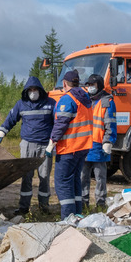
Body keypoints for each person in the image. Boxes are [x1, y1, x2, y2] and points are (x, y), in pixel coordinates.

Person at [0, 76, 56, 214]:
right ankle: (23, 207)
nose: (33, 92)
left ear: (40, 90)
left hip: (45, 146)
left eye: (35, 89)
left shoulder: (51, 103)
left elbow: (58, 124)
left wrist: (53, 143)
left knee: (44, 177)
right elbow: (10, 120)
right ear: (26, 91)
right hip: (27, 145)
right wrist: (0, 134)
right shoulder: (21, 104)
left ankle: (44, 206)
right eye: (30, 90)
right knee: (26, 176)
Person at [48, 70, 93, 219]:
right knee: (74, 180)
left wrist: (52, 142)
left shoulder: (68, 99)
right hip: (83, 147)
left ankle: (68, 219)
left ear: (65, 83)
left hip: (69, 148)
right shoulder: (85, 97)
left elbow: (61, 123)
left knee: (62, 182)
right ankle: (77, 215)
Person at [81, 74, 116, 210]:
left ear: (99, 86)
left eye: (93, 85)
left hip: (99, 145)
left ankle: (100, 203)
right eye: (88, 85)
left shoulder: (107, 101)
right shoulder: (85, 100)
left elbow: (111, 124)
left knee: (100, 177)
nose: (90, 88)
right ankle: (83, 203)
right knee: (83, 177)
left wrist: (108, 141)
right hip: (85, 145)